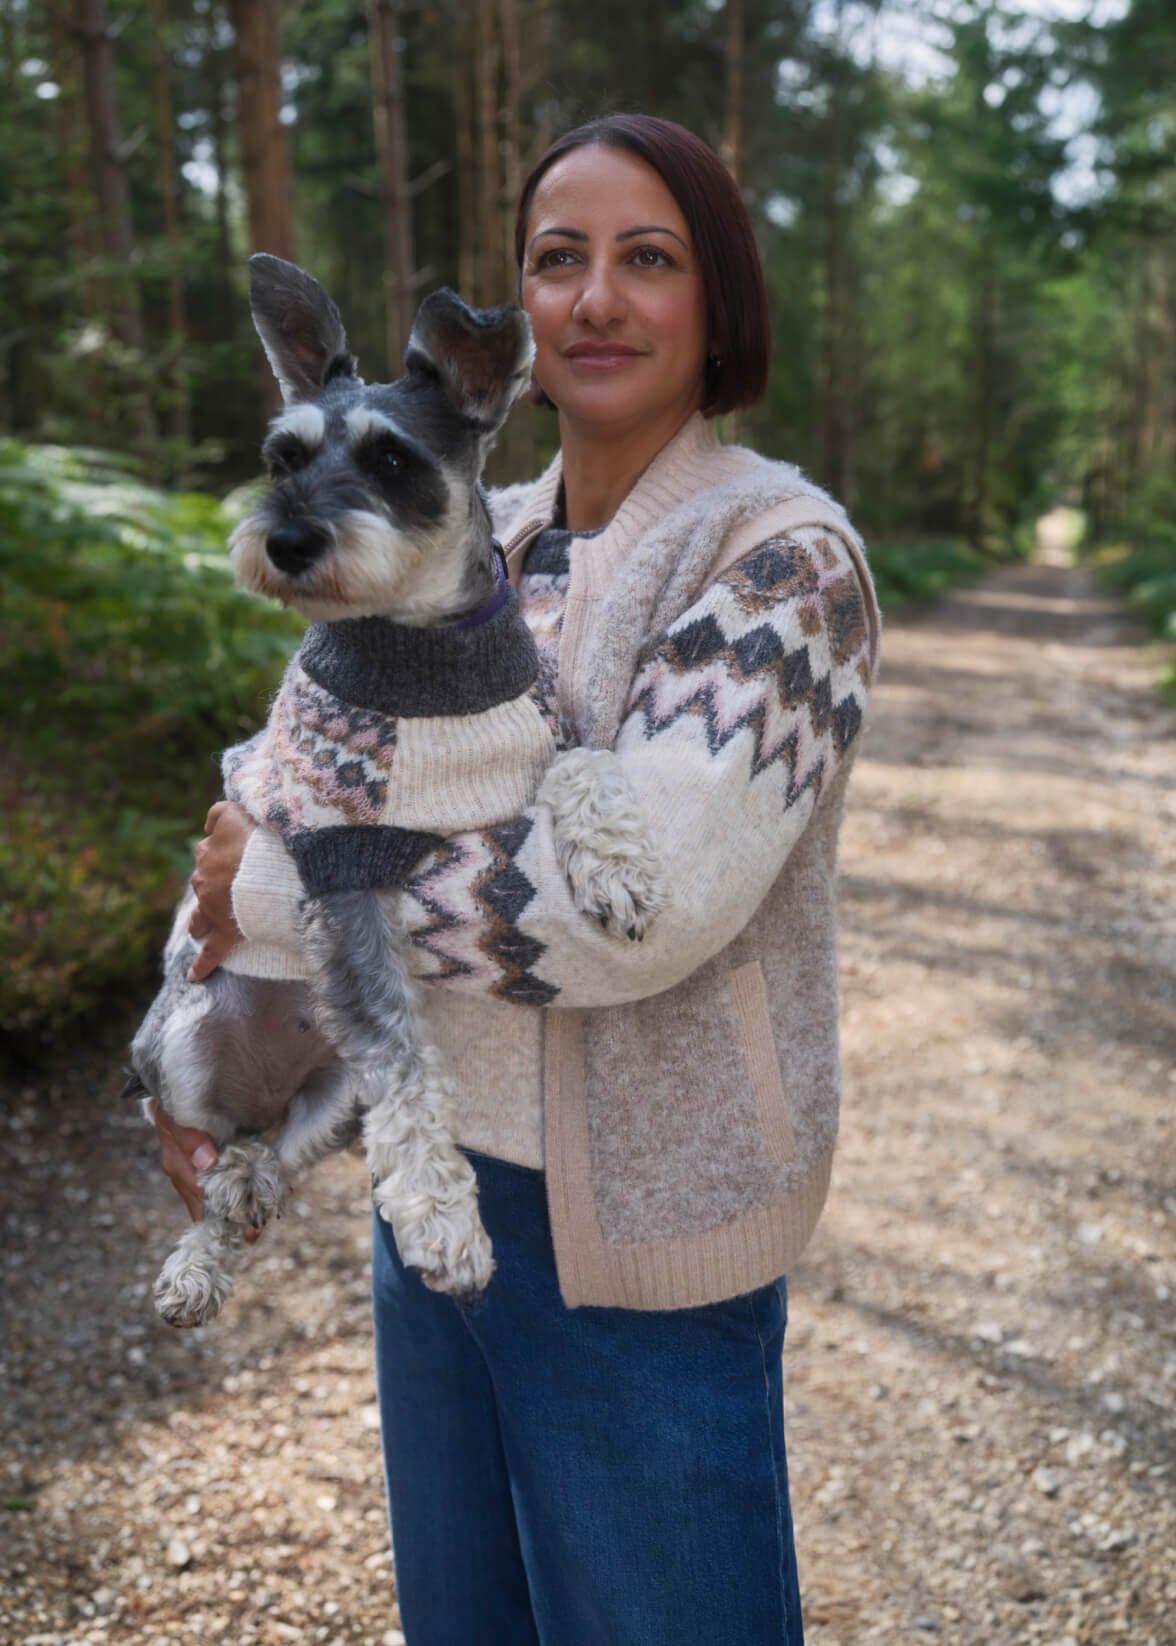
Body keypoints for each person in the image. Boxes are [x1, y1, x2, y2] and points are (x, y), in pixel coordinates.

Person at [152, 112, 882, 1646]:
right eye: (561, 260)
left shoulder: (783, 561)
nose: (598, 297)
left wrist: (264, 902)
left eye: (650, 258)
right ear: (518, 323)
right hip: (434, 1214)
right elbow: (283, 771)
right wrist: (197, 1007)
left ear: (719, 303)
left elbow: (637, 911)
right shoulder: (457, 529)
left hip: (648, 1251)